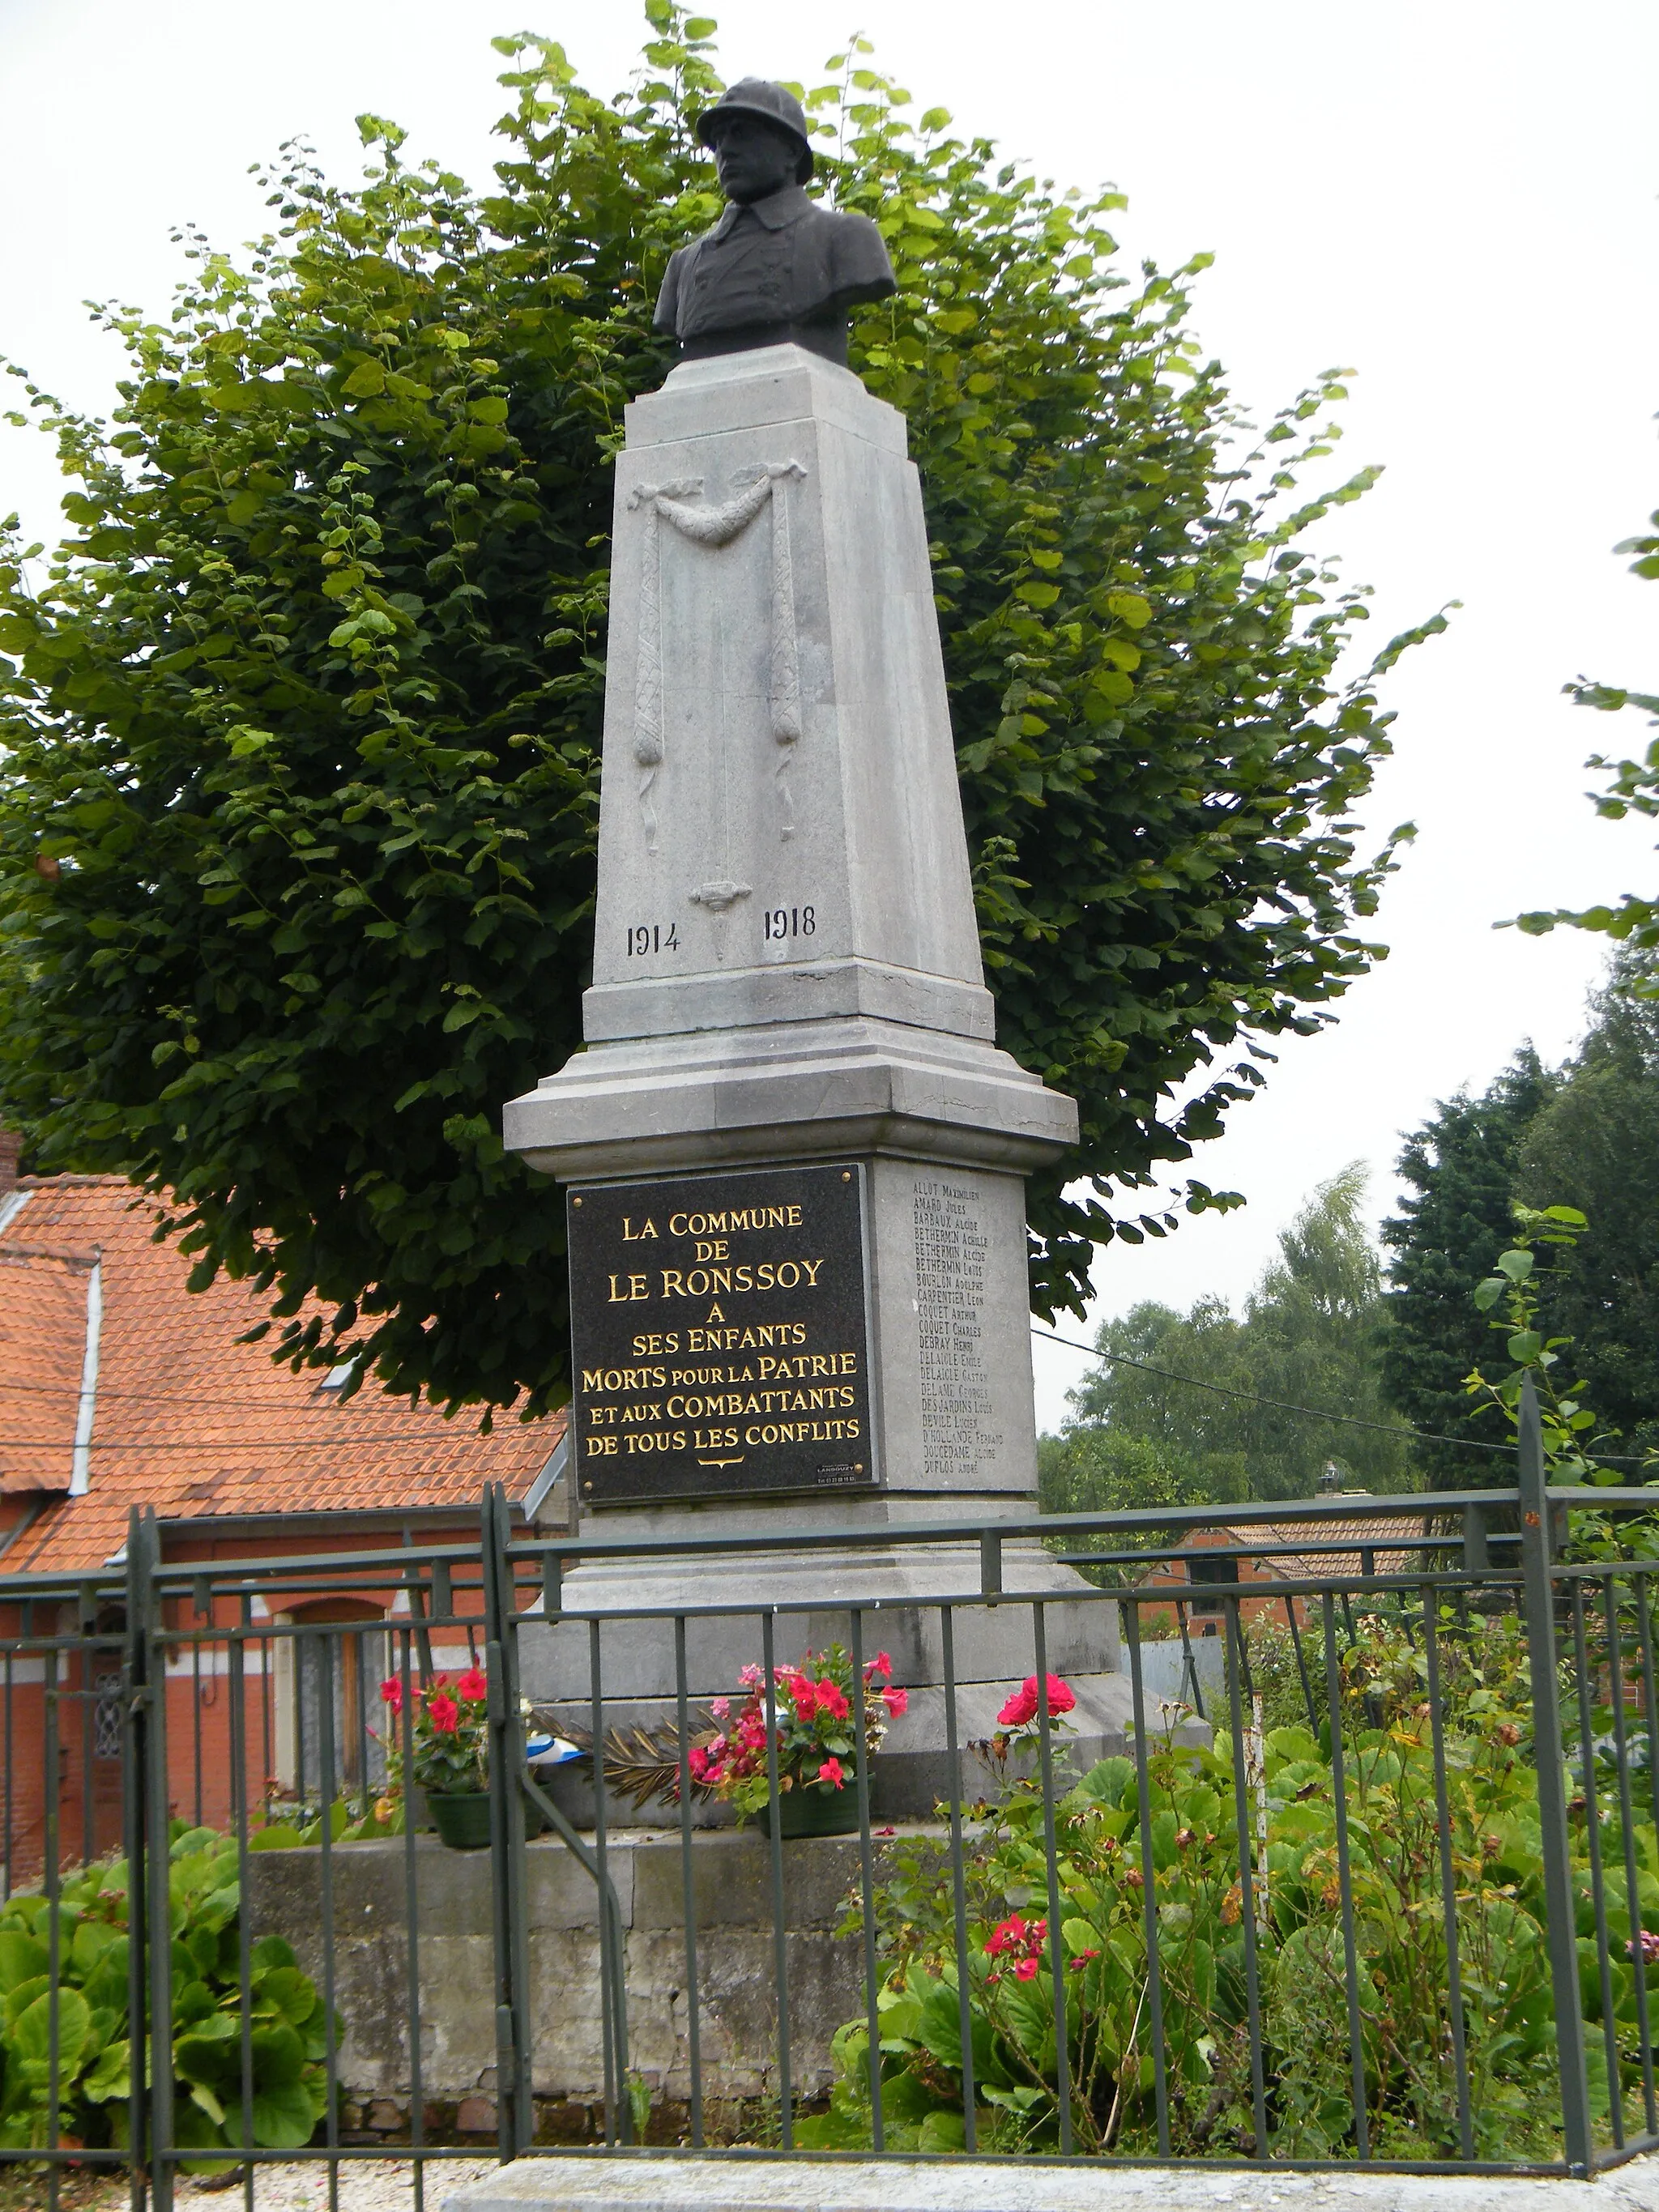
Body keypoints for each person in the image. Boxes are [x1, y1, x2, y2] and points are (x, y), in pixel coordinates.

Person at [654, 79, 897, 367]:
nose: (725, 150)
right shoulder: (684, 264)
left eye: (741, 134)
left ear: (792, 152)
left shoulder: (846, 236)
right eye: (718, 140)